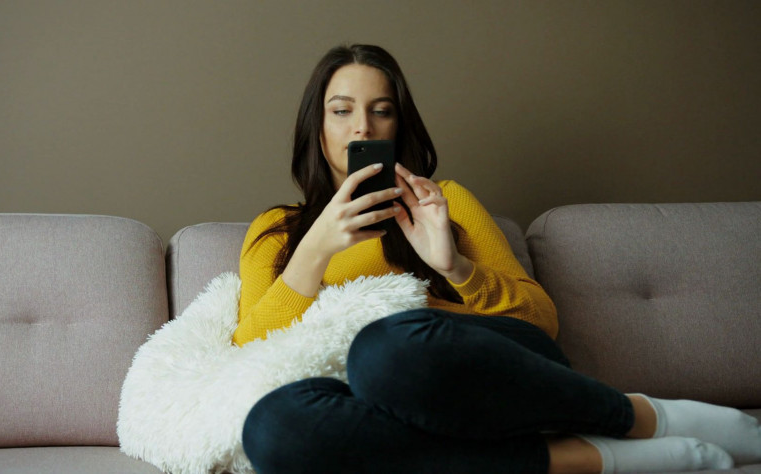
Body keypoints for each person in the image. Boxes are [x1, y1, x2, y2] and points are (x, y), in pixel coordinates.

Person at [236, 44, 760, 473]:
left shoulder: (445, 201)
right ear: (317, 125)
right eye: (342, 110)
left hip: (481, 372)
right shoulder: (278, 232)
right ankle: (571, 458)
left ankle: (634, 416)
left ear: (399, 125)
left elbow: (540, 322)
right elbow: (246, 353)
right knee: (271, 427)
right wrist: (315, 250)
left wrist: (453, 266)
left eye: (382, 110)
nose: (363, 129)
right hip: (366, 403)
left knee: (381, 348)